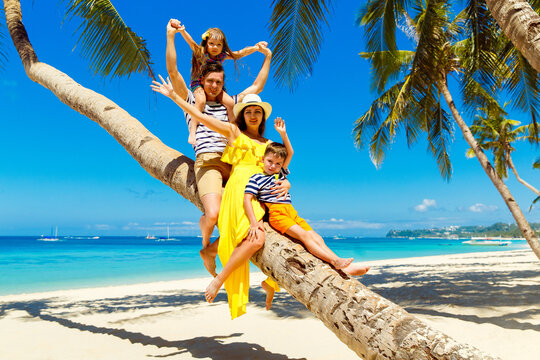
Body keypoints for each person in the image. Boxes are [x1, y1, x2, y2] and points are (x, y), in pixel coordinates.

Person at [151, 78, 285, 318]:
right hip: (239, 192)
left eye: (257, 112)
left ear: (262, 117)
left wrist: (285, 182)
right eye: (249, 112)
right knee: (253, 240)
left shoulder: (272, 144)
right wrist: (175, 97)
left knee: (288, 232)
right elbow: (202, 118)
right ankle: (220, 279)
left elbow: (282, 170)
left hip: (263, 195)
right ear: (242, 115)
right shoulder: (234, 131)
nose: (253, 116)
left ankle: (218, 256)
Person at [163, 19, 275, 279]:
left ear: (223, 84)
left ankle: (210, 252)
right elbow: (173, 72)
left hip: (233, 166)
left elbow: (257, 88)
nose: (214, 86)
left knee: (244, 218)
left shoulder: (233, 106)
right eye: (210, 81)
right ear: (203, 80)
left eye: (218, 82)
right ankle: (205, 243)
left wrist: (267, 57)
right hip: (209, 162)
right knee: (212, 215)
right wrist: (170, 36)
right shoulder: (192, 100)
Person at [243, 136, 371, 304]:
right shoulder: (256, 178)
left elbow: (290, 152)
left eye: (278, 164)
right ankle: (334, 261)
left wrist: (283, 134)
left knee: (317, 237)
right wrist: (253, 221)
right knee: (305, 236)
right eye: (270, 161)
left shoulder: (280, 175)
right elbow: (247, 199)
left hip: (292, 212)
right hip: (277, 214)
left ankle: (344, 266)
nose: (273, 166)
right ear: (263, 159)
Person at [170, 19, 267, 145]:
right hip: (199, 83)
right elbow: (191, 41)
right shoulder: (200, 52)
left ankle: (234, 132)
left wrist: (255, 47)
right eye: (212, 43)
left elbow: (239, 54)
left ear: (222, 46)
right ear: (206, 43)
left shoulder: (222, 56)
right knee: (200, 100)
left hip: (216, 85)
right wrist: (182, 31)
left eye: (218, 45)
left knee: (230, 103)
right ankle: (192, 131)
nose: (215, 47)